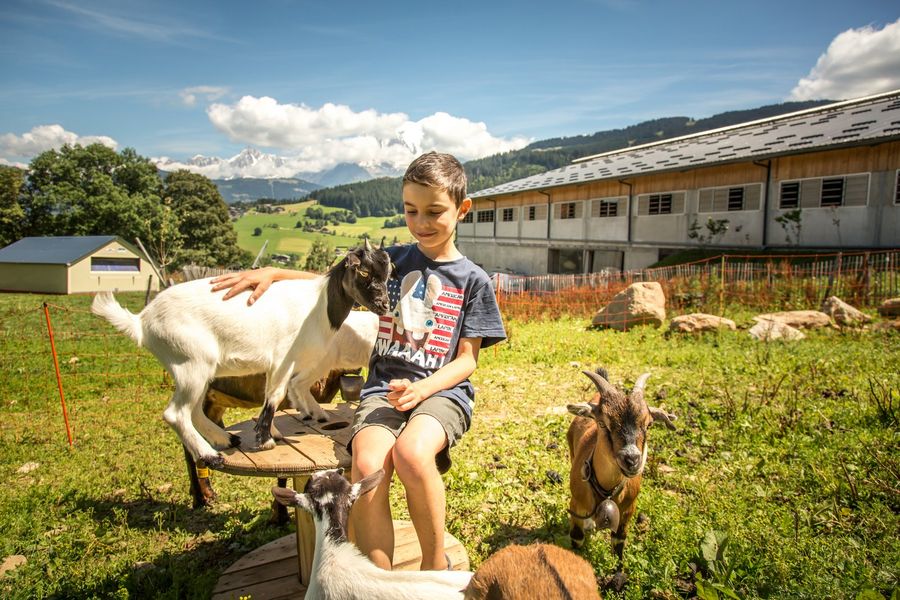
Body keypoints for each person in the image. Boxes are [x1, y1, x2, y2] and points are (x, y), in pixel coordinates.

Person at [210, 151, 506, 571]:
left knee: (412, 454)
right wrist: (275, 273)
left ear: (462, 209)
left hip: (442, 393)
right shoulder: (392, 261)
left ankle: (435, 569)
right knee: (367, 466)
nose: (421, 222)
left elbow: (466, 362)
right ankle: (378, 578)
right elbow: (332, 283)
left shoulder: (473, 280)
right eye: (410, 210)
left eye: (434, 212)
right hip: (384, 390)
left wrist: (423, 387)